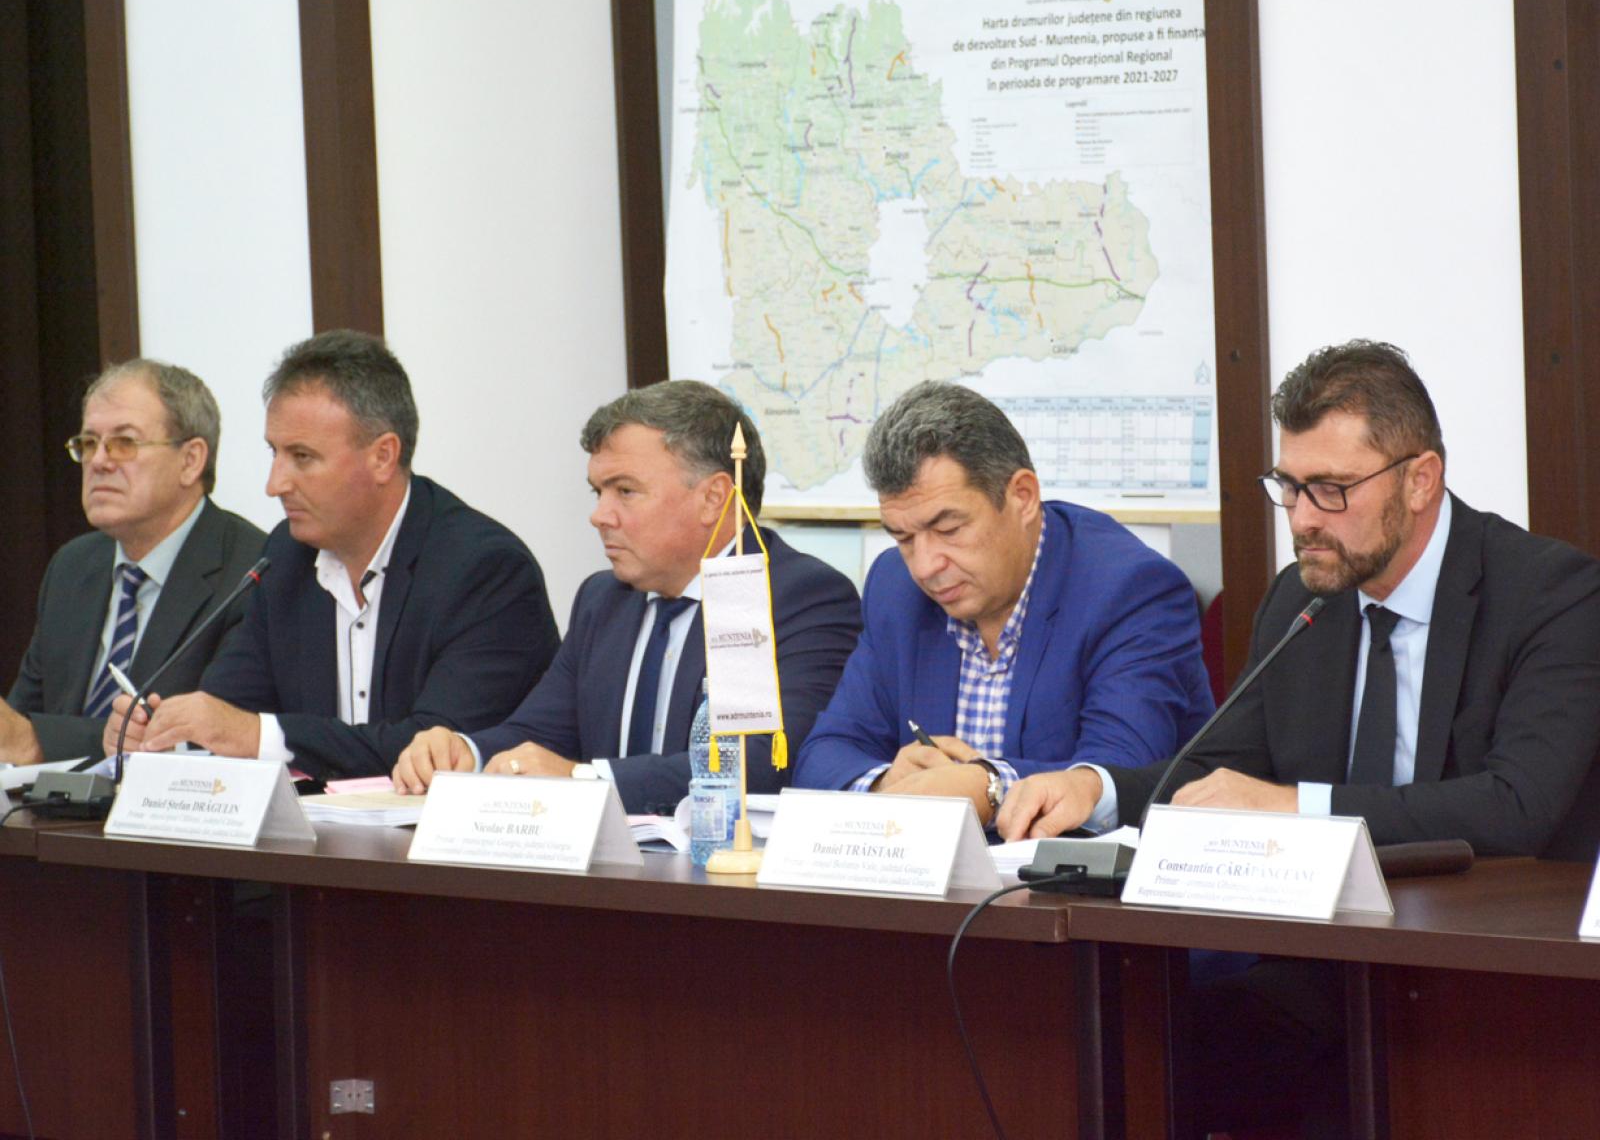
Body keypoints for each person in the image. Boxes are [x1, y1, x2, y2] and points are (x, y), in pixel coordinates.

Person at [998, 339, 1600, 1136]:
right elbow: (1218, 773)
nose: (1304, 518)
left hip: (1495, 978)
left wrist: (1297, 807)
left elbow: (1516, 806)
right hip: (1324, 967)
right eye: (1288, 486)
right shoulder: (1303, 599)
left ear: (1420, 479)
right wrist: (1095, 789)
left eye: (1331, 489)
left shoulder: (1551, 595)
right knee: (1108, 1054)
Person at [391, 380, 862, 814]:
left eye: (625, 491)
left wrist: (582, 780)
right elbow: (539, 733)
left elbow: (752, 764)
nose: (599, 515)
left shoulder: (784, 595)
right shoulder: (604, 599)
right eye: (598, 491)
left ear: (714, 499)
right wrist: (464, 752)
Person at [108, 331, 560, 780]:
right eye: (274, 452)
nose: (275, 484)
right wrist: (165, 734)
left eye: (302, 456)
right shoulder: (286, 557)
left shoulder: (485, 570)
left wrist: (257, 734)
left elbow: (435, 750)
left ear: (383, 456)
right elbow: (230, 710)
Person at [791, 380, 1214, 828]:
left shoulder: (1129, 590)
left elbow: (1119, 774)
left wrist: (990, 788)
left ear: (1022, 497)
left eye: (949, 529)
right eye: (904, 538)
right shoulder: (895, 588)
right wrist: (886, 784)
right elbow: (823, 754)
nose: (926, 565)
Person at [3, 360, 265, 763]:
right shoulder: (73, 567)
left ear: (191, 460)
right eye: (89, 443)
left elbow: (209, 742)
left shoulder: (251, 572)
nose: (99, 461)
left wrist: (39, 742)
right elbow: (20, 727)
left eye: (124, 443)